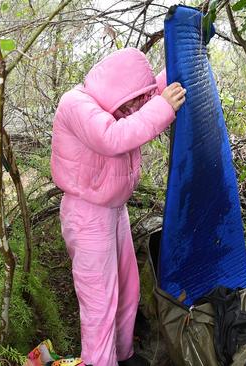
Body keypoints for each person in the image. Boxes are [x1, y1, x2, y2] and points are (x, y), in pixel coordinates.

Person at [50, 48, 186, 366]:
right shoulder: (77, 104)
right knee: (100, 303)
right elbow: (112, 138)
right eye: (134, 100)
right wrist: (162, 107)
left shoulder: (118, 102)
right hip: (87, 212)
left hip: (113, 208)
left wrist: (187, 47)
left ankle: (122, 355)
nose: (137, 107)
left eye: (140, 100)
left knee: (127, 288)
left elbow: (154, 93)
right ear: (118, 87)